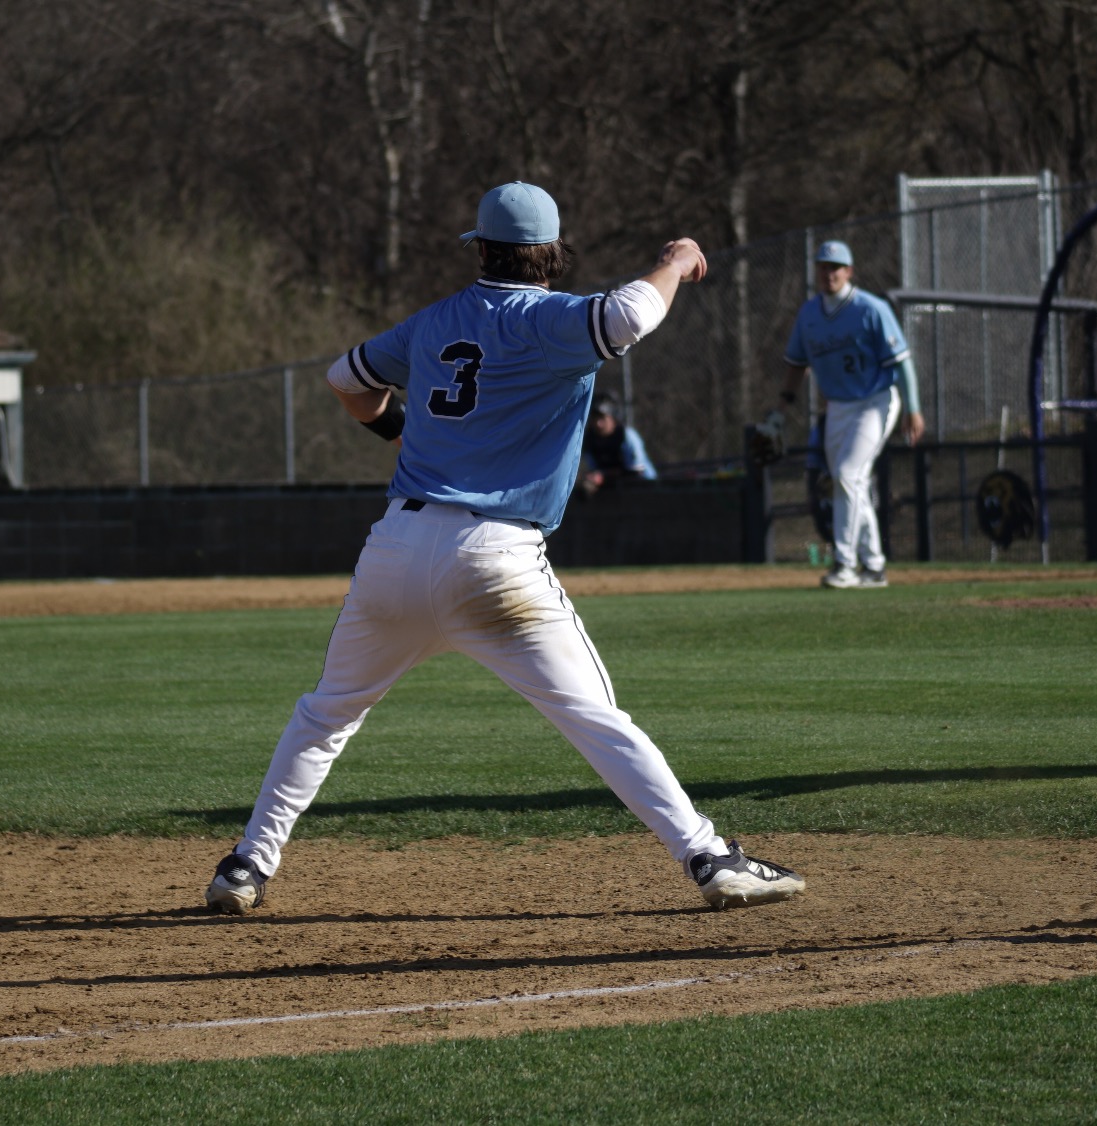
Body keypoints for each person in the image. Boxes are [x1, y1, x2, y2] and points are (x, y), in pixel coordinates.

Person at [205, 182, 804, 915]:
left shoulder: (435, 321)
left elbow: (346, 381)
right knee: (595, 719)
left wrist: (401, 434)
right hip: (496, 558)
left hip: (397, 544)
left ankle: (245, 868)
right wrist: (676, 261)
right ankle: (710, 858)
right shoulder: (548, 318)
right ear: (550, 253)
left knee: (325, 714)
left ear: (480, 247)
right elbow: (630, 313)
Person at [771, 240, 925, 589]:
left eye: (836, 267)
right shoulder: (809, 314)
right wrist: (781, 409)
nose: (829, 273)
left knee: (846, 474)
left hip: (876, 400)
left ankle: (845, 564)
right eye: (824, 266)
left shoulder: (871, 308)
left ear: (849, 271)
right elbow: (796, 365)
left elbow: (902, 363)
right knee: (850, 482)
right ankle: (874, 567)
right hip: (838, 407)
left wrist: (913, 408)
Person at [579, 391, 657, 493]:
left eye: (603, 418)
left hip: (646, 490)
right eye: (594, 418)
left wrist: (603, 476)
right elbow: (594, 471)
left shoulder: (627, 436)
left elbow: (636, 472)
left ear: (613, 418)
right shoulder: (590, 440)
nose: (598, 424)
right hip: (614, 494)